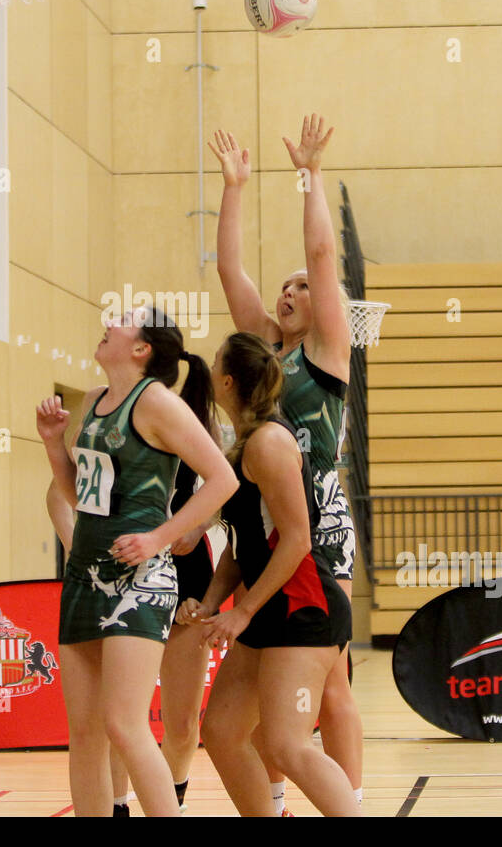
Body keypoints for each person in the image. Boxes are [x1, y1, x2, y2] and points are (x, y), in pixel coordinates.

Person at [210, 114, 364, 812]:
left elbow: (324, 255)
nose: (291, 291)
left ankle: (350, 795)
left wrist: (309, 174)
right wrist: (234, 187)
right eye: (286, 287)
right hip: (267, 526)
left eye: (302, 287)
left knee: (326, 690)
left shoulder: (327, 353)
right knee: (263, 720)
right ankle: (291, 795)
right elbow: (228, 270)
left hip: (317, 528)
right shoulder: (265, 355)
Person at [37, 306, 236, 817]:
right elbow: (80, 497)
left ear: (142, 348)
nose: (108, 321)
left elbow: (222, 480)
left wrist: (158, 539)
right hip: (85, 574)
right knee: (84, 734)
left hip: (140, 579)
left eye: (122, 319)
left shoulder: (157, 403)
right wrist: (55, 445)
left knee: (125, 726)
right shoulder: (97, 401)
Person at [182, 332, 356, 816]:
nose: (210, 371)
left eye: (216, 363)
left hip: (303, 610)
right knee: (221, 730)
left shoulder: (271, 443)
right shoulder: (241, 447)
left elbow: (298, 539)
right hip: (267, 612)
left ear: (229, 379)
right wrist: (214, 602)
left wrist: (244, 613)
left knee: (286, 744)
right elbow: (240, 548)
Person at [48, 458, 217, 816]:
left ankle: (173, 800)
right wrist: (79, 554)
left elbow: (226, 486)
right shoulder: (106, 418)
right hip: (119, 570)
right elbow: (58, 495)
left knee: (183, 723)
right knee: (121, 719)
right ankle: (117, 805)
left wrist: (197, 526)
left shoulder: (185, 415)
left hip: (183, 565)